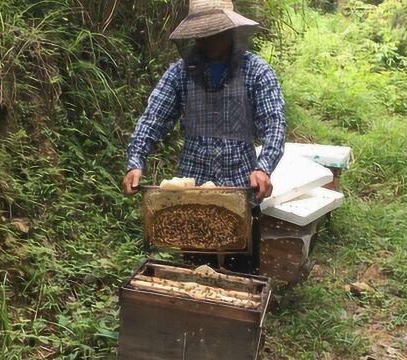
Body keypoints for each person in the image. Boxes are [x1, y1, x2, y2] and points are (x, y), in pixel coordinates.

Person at [122, 0, 286, 273]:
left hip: (240, 189)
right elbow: (153, 118)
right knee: (198, 273)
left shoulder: (256, 71)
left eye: (216, 31)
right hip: (192, 192)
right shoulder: (179, 72)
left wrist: (264, 167)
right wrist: (135, 161)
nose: (209, 39)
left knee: (242, 274)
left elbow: (274, 123)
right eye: (203, 32)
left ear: (231, 29)